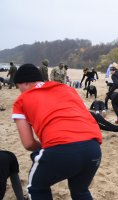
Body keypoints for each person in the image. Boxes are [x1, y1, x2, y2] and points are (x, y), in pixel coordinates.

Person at [12, 64, 102, 199]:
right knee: (81, 190)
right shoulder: (67, 89)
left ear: (24, 83)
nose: (20, 91)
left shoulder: (22, 100)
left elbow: (28, 144)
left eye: (18, 87)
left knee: (36, 187)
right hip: (93, 148)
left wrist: (47, 147)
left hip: (61, 149)